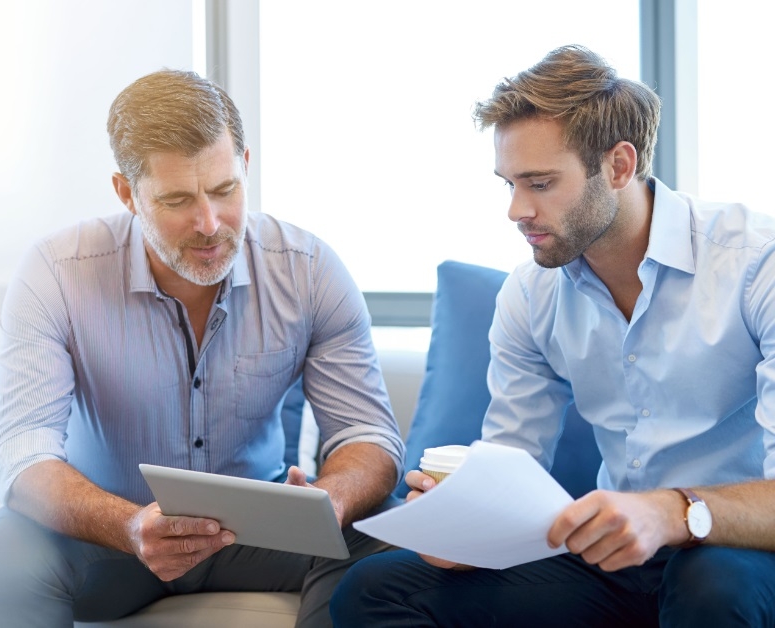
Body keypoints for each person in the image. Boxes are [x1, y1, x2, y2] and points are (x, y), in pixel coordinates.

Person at [330, 44, 775, 627]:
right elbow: (512, 465)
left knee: (711, 585)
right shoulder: (531, 293)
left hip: (738, 549)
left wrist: (672, 512)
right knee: (374, 589)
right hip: (617, 563)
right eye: (509, 184)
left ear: (618, 166)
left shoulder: (754, 265)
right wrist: (465, 528)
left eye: (540, 183)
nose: (517, 210)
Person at [0, 69, 405, 627]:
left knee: (385, 536)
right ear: (127, 193)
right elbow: (21, 452)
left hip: (262, 535)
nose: (209, 223)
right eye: (177, 199)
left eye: (224, 190)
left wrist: (331, 501)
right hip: (113, 538)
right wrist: (129, 526)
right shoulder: (56, 272)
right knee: (8, 549)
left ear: (245, 164)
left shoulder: (309, 270)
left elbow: (368, 434)